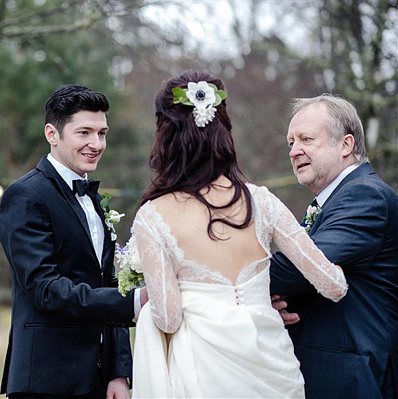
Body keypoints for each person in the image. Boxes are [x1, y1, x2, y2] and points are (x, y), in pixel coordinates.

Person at [129, 70, 348, 398]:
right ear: (223, 130)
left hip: (202, 374)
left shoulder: (153, 217)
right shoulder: (262, 201)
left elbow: (169, 319)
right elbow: (333, 286)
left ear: (166, 136)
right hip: (273, 370)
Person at [0, 84, 145, 398]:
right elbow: (44, 288)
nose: (96, 143)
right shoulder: (25, 195)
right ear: (52, 134)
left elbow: (108, 281)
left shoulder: (93, 198)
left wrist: (119, 372)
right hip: (47, 379)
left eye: (102, 133)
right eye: (84, 133)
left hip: (99, 379)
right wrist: (132, 302)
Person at [270, 94, 398, 399]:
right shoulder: (335, 200)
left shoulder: (364, 196)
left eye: (306, 139)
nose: (294, 150)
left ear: (346, 144)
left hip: (353, 378)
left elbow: (304, 268)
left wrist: (225, 272)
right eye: (291, 142)